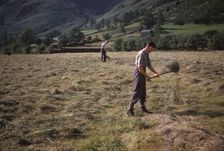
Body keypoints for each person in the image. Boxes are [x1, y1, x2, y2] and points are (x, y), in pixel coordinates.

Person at [127, 41, 160, 117]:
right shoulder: (142, 54)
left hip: (142, 72)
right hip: (138, 73)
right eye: (152, 49)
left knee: (143, 92)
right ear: (149, 47)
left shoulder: (146, 54)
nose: (152, 51)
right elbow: (140, 67)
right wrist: (147, 76)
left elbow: (149, 65)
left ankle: (143, 108)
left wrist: (156, 73)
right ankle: (129, 110)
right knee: (137, 91)